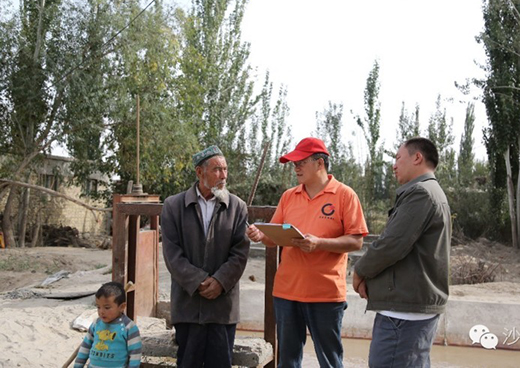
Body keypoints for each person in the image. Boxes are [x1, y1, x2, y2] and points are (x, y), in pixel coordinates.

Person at [246, 137, 368, 368]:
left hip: (325, 294)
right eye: (294, 164)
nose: (296, 168)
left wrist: (319, 243)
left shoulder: (345, 195)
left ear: (320, 163)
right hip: (286, 292)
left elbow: (356, 241)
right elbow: (272, 239)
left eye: (301, 162)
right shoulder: (289, 196)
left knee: (330, 361)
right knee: (287, 361)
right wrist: (260, 235)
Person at [352, 137, 451, 368]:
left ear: (417, 158)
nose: (394, 166)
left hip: (403, 316)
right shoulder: (430, 192)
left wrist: (360, 271)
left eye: (398, 158)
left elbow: (392, 244)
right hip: (409, 309)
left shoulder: (421, 193)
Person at [161, 145, 250, 367]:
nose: (223, 175)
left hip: (222, 307)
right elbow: (172, 253)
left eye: (225, 169)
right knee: (188, 362)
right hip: (188, 305)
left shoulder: (237, 207)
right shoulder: (173, 206)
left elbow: (240, 252)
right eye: (217, 169)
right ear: (200, 172)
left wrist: (220, 281)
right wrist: (199, 280)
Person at [74, 281, 142, 368]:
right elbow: (85, 347)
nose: (101, 311)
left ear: (122, 307)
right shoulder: (96, 324)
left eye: (107, 307)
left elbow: (135, 354)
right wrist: (78, 365)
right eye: (98, 307)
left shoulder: (128, 327)